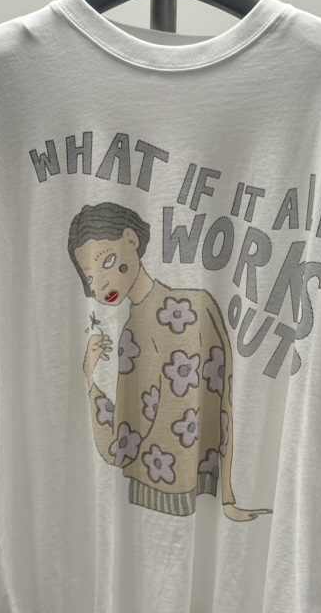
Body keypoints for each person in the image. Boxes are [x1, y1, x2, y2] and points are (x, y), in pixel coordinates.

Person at [68, 201, 272, 522]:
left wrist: (90, 381)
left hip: (150, 497)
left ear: (131, 239)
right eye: (91, 279)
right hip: (190, 492)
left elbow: (122, 444)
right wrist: (227, 496)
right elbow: (224, 408)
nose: (102, 284)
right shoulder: (201, 303)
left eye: (107, 262)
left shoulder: (136, 332)